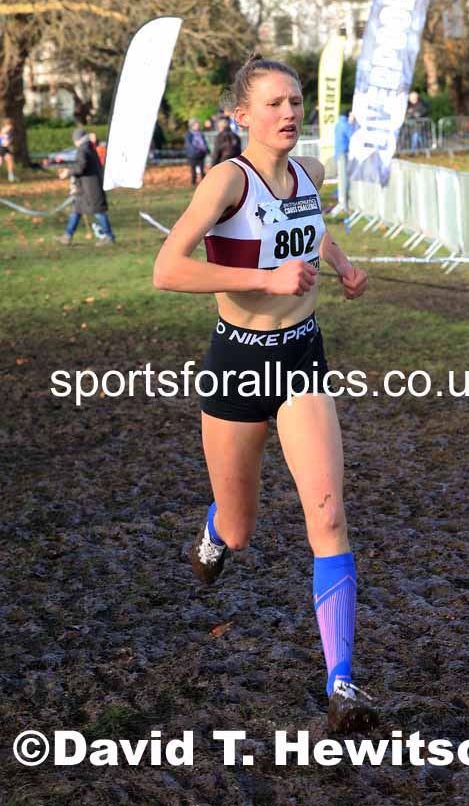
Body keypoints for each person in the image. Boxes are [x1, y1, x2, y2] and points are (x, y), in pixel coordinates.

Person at [153, 53, 377, 734]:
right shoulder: (227, 180)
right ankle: (215, 531)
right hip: (239, 363)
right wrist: (263, 279)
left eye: (295, 101)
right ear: (242, 114)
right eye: (274, 103)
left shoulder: (310, 173)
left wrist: (341, 265)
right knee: (242, 527)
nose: (288, 113)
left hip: (302, 356)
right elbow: (166, 269)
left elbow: (309, 230)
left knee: (328, 514)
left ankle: (341, 684)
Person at [57, 128, 115, 245]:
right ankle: (67, 235)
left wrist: (67, 172)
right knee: (76, 210)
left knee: (99, 212)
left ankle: (109, 236)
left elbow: (80, 167)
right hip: (86, 187)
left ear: (77, 139)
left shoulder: (83, 149)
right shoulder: (89, 147)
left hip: (90, 188)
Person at [334, 110, 354, 212]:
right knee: (344, 179)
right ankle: (345, 205)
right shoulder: (346, 125)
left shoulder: (339, 123)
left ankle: (342, 202)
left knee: (342, 178)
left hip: (338, 153)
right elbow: (353, 137)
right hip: (343, 154)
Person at [184, 119, 209, 185]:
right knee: (193, 169)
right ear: (192, 125)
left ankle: (204, 182)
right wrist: (196, 150)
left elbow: (204, 142)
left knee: (202, 169)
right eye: (196, 124)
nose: (198, 125)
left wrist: (206, 149)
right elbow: (189, 144)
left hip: (201, 154)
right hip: (193, 154)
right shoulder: (188, 134)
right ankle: (193, 182)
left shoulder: (200, 133)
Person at [405, 90, 429, 154]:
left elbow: (423, 112)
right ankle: (424, 150)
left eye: (411, 98)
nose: (410, 99)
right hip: (411, 126)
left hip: (419, 125)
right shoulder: (409, 105)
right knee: (418, 138)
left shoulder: (421, 104)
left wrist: (415, 114)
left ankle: (414, 151)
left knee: (416, 137)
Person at [0, 118, 17, 182]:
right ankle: (11, 176)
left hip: (6, 148)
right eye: (10, 124)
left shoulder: (8, 131)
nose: (12, 126)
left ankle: (11, 176)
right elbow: (2, 137)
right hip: (2, 148)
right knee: (0, 162)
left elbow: (9, 140)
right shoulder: (5, 129)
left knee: (10, 160)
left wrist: (9, 145)